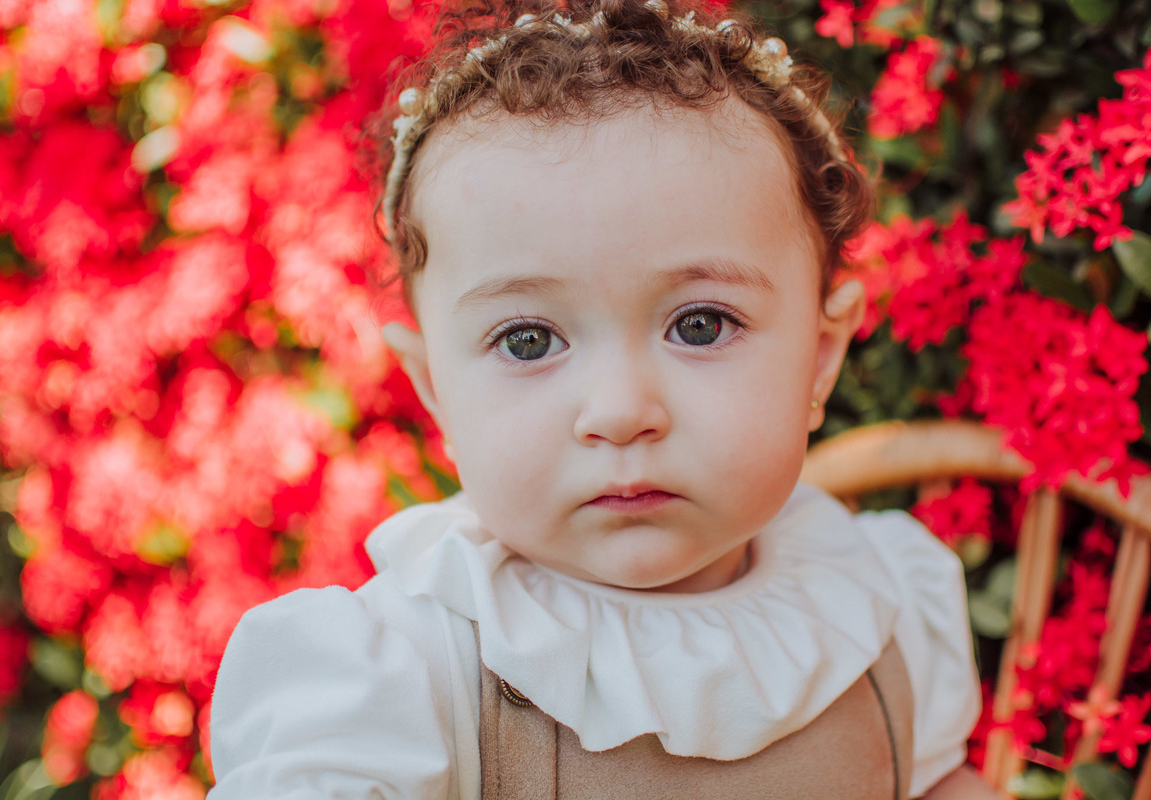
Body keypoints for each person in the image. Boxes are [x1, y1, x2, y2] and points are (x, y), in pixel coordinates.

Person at [207, 0, 999, 796]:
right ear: (435, 392)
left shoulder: (880, 602)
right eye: (528, 340)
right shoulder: (405, 679)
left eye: (699, 324)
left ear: (820, 359)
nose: (621, 411)